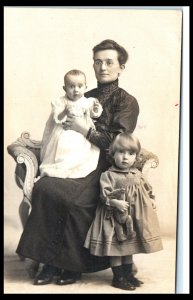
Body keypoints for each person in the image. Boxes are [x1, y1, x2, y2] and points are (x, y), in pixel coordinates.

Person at [16, 39, 140, 286]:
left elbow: (118, 143)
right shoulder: (82, 93)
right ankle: (48, 264)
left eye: (109, 62)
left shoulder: (126, 101)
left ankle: (70, 266)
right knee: (45, 187)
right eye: (98, 62)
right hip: (75, 160)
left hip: (106, 167)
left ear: (121, 67)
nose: (103, 67)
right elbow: (58, 124)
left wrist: (86, 130)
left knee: (73, 198)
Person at [84, 133, 163, 290]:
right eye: (121, 152)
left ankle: (129, 275)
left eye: (130, 153)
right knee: (117, 249)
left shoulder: (137, 174)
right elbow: (104, 195)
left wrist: (151, 199)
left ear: (135, 156)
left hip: (133, 217)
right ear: (113, 154)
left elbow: (146, 189)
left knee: (129, 248)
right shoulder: (109, 175)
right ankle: (118, 277)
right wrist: (115, 202)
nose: (125, 157)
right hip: (114, 218)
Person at [40, 69, 103, 179]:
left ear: (85, 87)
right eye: (71, 86)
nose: (76, 90)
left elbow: (93, 115)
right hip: (64, 132)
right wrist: (64, 112)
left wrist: (96, 109)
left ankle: (74, 169)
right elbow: (57, 118)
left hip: (81, 133)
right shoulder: (61, 102)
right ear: (64, 88)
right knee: (63, 147)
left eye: (80, 86)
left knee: (79, 150)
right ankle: (60, 168)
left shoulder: (86, 101)